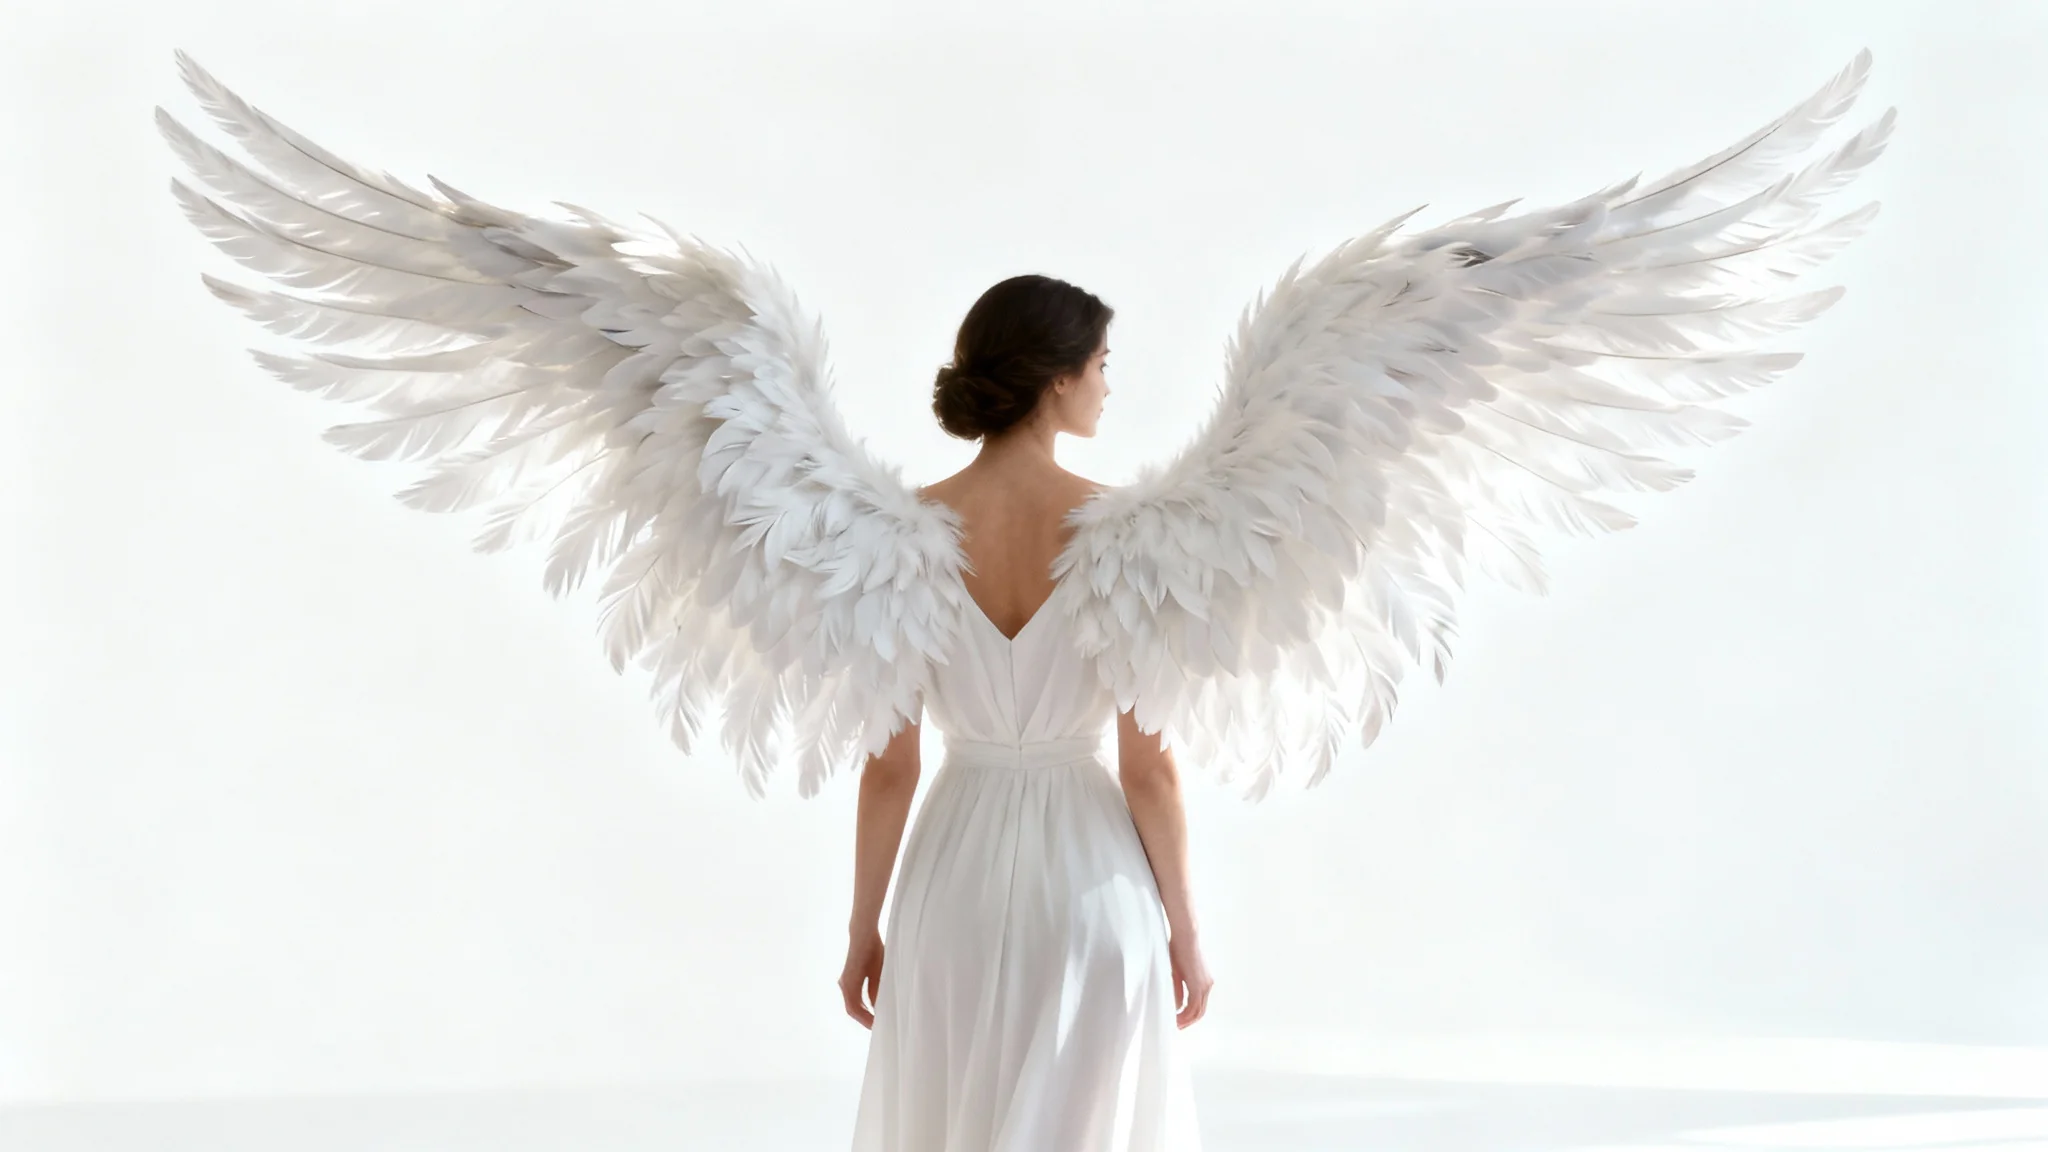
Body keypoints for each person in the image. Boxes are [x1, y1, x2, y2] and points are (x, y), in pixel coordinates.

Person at [842, 276, 1209, 1149]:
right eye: (1102, 366)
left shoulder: (904, 533)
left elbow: (890, 765)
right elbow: (1149, 771)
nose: (1108, 387)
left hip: (951, 881)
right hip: (1089, 883)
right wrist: (1186, 931)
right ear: (1057, 380)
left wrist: (864, 927)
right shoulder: (1122, 531)